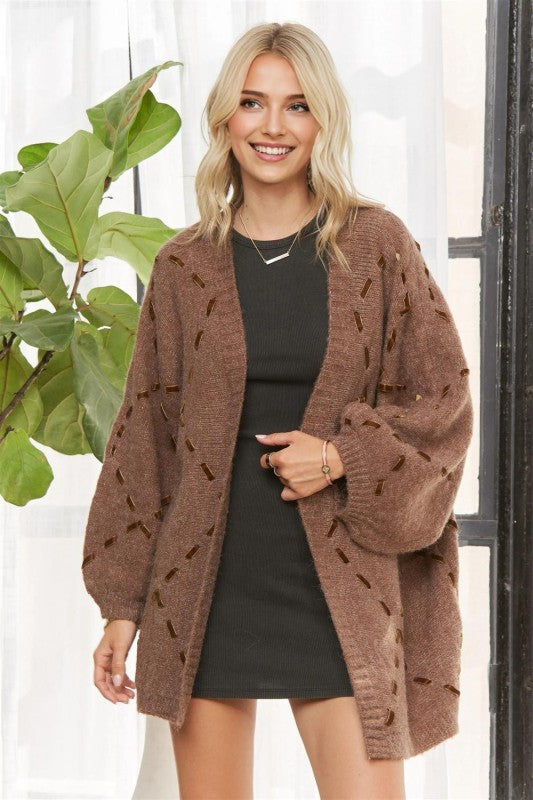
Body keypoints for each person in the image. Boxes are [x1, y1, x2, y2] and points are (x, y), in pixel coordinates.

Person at [82, 21, 474, 800]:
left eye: (296, 106)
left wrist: (341, 457)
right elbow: (144, 441)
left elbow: (443, 403)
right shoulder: (183, 266)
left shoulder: (376, 245)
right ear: (225, 117)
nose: (272, 126)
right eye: (252, 102)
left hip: (343, 591)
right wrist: (120, 606)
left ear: (322, 120)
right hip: (209, 591)